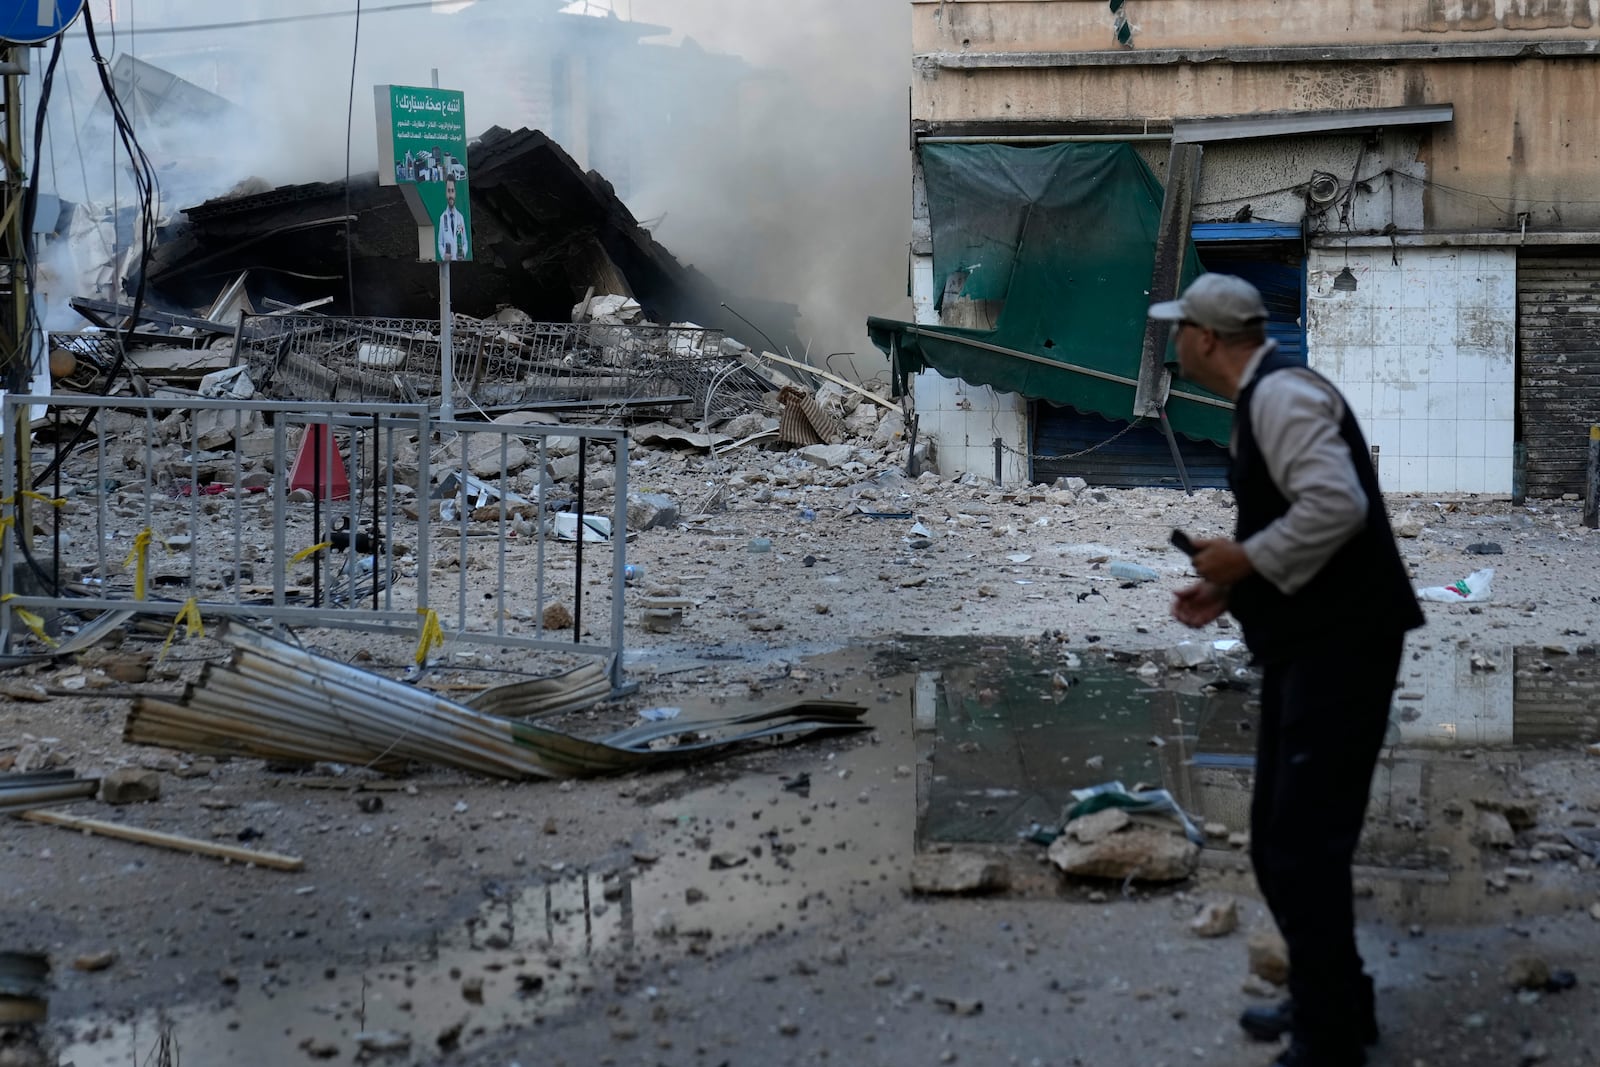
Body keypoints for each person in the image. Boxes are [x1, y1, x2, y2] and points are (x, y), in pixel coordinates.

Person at [1150, 274, 1424, 1067]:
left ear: (1205, 338)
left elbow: (1337, 506)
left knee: (1302, 844)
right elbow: (1296, 525)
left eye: (1179, 331)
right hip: (1315, 644)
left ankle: (1330, 1034)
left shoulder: (1280, 397)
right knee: (1285, 842)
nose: (1173, 344)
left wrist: (1245, 556)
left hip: (1343, 646)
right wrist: (1229, 583)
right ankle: (1335, 1000)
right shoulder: (1263, 399)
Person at [437, 179, 468, 262]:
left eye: (452, 191)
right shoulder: (442, 218)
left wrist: (463, 253)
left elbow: (465, 242)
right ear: (445, 193)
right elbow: (440, 243)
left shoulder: (460, 218)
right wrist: (444, 255)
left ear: (455, 193)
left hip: (459, 264)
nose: (450, 195)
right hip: (447, 263)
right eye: (448, 191)